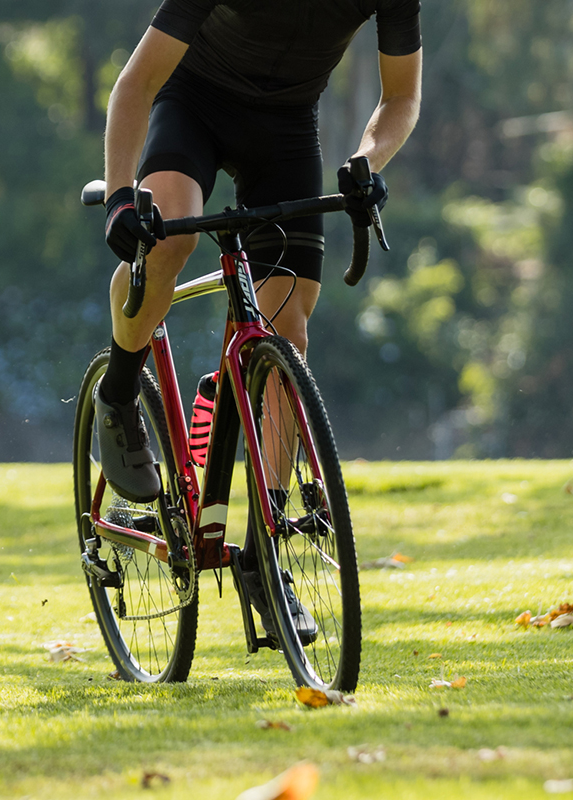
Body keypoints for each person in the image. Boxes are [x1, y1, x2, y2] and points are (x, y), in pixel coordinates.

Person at [92, 0, 423, 642]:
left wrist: (368, 161)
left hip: (287, 129)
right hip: (192, 107)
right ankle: (119, 391)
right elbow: (137, 83)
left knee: (288, 336)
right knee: (168, 245)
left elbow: (401, 97)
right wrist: (117, 198)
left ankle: (266, 561)